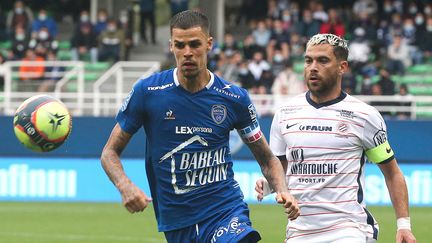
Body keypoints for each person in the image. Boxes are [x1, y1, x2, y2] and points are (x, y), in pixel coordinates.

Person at [101, 10, 299, 243]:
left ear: (209, 44)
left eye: (194, 44)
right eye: (180, 45)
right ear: (171, 46)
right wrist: (124, 186)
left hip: (225, 210)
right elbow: (109, 153)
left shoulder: (233, 98)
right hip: (176, 221)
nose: (187, 53)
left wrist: (282, 189)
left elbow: (267, 160)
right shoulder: (148, 92)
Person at [255, 33, 417, 243]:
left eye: (322, 60)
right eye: (308, 60)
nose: (313, 67)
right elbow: (283, 169)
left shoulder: (363, 116)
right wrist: (269, 185)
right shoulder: (285, 114)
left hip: (349, 230)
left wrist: (403, 225)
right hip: (299, 232)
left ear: (342, 67)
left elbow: (392, 173)